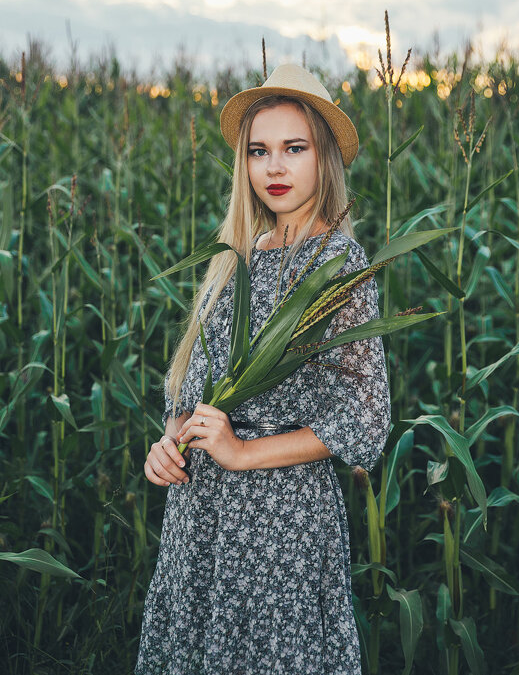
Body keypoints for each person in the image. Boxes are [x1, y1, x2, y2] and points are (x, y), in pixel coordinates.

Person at [135, 63, 391, 675]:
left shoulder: (338, 265)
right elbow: (193, 390)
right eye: (259, 151)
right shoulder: (236, 259)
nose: (274, 168)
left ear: (322, 157)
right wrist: (170, 442)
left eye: (293, 149)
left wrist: (242, 452)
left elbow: (363, 420)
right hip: (201, 517)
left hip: (278, 527)